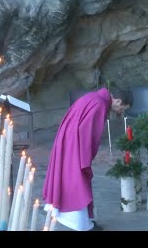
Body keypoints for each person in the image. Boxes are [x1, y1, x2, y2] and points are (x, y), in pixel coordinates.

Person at [42, 87, 133, 231]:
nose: (121, 112)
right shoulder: (100, 104)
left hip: (68, 141)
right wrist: (86, 158)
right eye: (122, 108)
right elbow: (88, 133)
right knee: (76, 181)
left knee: (70, 178)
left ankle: (86, 220)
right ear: (119, 100)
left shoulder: (94, 97)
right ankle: (80, 224)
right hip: (75, 146)